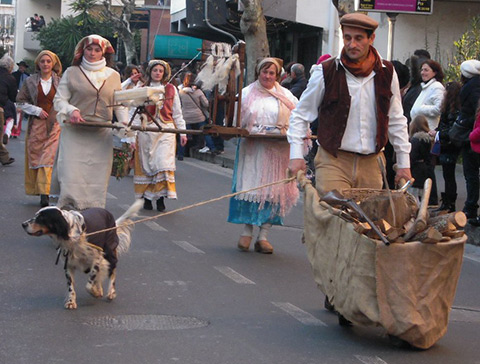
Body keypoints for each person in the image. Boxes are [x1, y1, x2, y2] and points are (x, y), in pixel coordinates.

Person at [288, 13, 412, 196]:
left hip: (372, 163)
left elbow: (396, 120)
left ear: (372, 38)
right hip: (333, 161)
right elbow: (300, 115)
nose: (352, 44)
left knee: (366, 222)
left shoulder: (388, 73)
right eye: (347, 37)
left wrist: (404, 164)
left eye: (359, 38)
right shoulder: (326, 71)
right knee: (335, 219)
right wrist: (296, 155)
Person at [229, 57, 299, 254]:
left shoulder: (288, 97)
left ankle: (263, 236)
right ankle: (247, 231)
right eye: (264, 72)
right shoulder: (245, 94)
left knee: (272, 193)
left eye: (272, 73)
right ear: (258, 73)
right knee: (252, 190)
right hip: (253, 150)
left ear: (277, 76)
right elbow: (235, 120)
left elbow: (299, 120)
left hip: (278, 151)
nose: (267, 76)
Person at [51, 34, 128, 210]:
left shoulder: (113, 75)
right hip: (74, 134)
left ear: (103, 53)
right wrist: (72, 110)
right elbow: (59, 100)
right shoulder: (71, 72)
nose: (92, 53)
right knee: (71, 176)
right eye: (89, 49)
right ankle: (67, 217)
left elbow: (120, 103)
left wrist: (124, 123)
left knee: (96, 179)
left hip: (101, 135)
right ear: (82, 51)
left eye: (97, 50)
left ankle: (91, 218)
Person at [132, 59, 187, 211]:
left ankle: (161, 198)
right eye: (155, 70)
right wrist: (131, 134)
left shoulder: (171, 89)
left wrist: (182, 132)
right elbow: (134, 112)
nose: (157, 73)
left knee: (162, 164)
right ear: (150, 72)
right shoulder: (141, 88)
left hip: (166, 131)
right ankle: (147, 199)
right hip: (146, 131)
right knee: (147, 165)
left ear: (164, 73)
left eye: (160, 71)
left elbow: (177, 113)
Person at [16, 50, 62, 207]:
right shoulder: (30, 81)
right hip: (36, 125)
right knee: (36, 157)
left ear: (53, 63)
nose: (46, 64)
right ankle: (40, 190)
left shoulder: (61, 82)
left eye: (49, 61)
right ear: (38, 63)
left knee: (48, 158)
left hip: (54, 125)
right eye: (43, 61)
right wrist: (36, 110)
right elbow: (20, 102)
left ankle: (46, 193)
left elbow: (66, 101)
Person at [430, 81, 462, 212]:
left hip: (449, 144)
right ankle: (448, 201)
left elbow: (449, 129)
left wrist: (438, 132)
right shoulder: (449, 108)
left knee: (448, 175)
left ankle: (450, 202)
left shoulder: (453, 110)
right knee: (447, 175)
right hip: (446, 143)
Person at [457, 60, 480, 224]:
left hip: (471, 137)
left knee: (471, 175)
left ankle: (470, 207)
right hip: (472, 135)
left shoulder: (470, 89)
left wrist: (472, 134)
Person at [177, 72, 211, 159]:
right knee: (205, 131)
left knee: (184, 134)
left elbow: (179, 104)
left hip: (186, 117)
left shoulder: (180, 92)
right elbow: (206, 104)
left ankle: (181, 154)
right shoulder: (198, 92)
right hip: (198, 116)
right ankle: (212, 147)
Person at [409, 115, 435, 202]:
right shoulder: (428, 140)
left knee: (413, 196)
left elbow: (412, 156)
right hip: (424, 168)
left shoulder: (415, 140)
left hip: (416, 170)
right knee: (423, 194)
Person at [0, 54, 17, 166]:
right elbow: (13, 97)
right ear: (10, 67)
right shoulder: (10, 78)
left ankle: (5, 157)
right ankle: (4, 156)